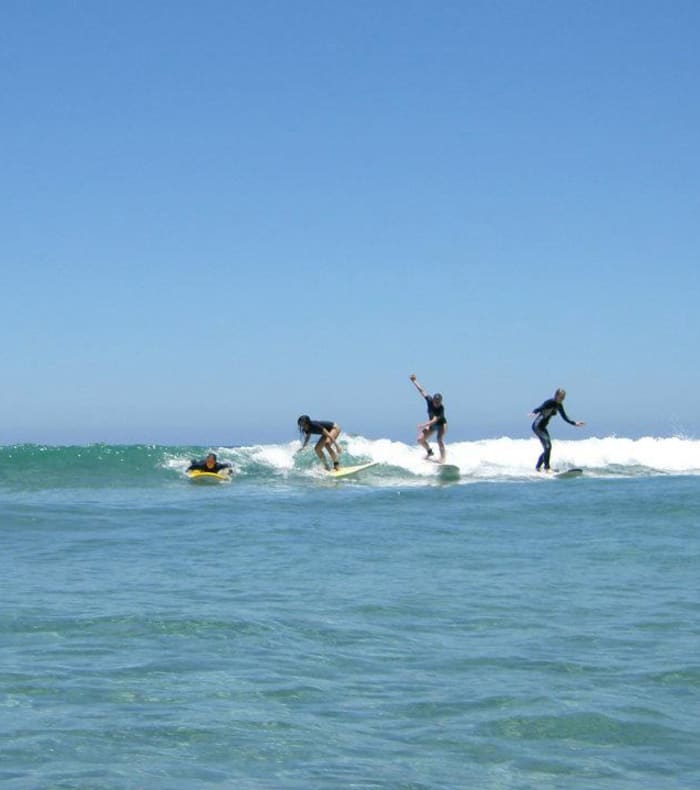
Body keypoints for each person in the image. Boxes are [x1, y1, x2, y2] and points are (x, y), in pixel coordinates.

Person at [530, 388, 585, 472]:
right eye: (561, 397)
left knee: (547, 448)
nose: (562, 399)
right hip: (537, 426)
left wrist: (574, 423)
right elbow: (540, 408)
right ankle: (547, 468)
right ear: (556, 396)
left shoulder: (559, 406)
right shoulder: (550, 402)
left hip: (543, 428)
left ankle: (538, 467)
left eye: (563, 398)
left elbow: (564, 417)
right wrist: (534, 412)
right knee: (548, 447)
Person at [409, 373, 447, 462]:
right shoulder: (429, 400)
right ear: (433, 400)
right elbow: (422, 390)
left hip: (441, 425)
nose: (437, 404)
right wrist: (414, 381)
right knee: (420, 439)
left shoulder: (441, 408)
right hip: (432, 426)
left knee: (439, 439)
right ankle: (430, 452)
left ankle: (443, 459)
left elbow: (434, 420)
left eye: (439, 402)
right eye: (436, 402)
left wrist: (424, 425)